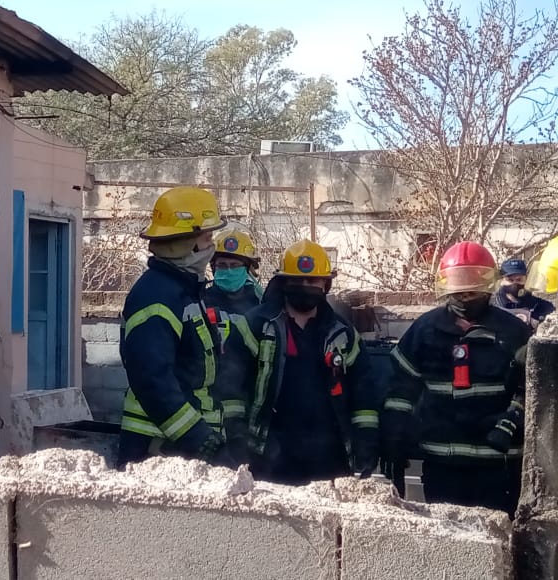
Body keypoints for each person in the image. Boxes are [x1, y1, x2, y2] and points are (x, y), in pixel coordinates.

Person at [382, 241, 531, 517]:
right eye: (460, 290)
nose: (465, 296)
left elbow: (532, 391)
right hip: (442, 466)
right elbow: (400, 390)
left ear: (487, 286)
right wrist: (394, 440)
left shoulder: (514, 333)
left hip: (498, 468)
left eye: (472, 289)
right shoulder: (424, 331)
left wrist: (510, 421)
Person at [218, 239, 379, 484]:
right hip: (268, 458)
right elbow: (231, 390)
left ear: (326, 284)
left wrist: (366, 441)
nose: (305, 286)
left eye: (313, 281)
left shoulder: (343, 334)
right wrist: (237, 441)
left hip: (329, 459)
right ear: (284, 283)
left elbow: (363, 394)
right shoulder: (255, 327)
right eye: (297, 280)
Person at [116, 186, 239, 468]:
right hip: (159, 449)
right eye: (207, 236)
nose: (211, 245)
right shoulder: (157, 294)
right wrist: (196, 437)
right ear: (187, 242)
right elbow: (152, 378)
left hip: (179, 445)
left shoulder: (184, 290)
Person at [205, 229, 263, 317]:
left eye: (234, 265)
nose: (229, 270)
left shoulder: (259, 301)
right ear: (213, 268)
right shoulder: (201, 302)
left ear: (246, 269)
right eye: (222, 265)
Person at [492, 257, 555, 330]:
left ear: (526, 280)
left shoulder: (541, 306)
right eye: (510, 280)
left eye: (519, 280)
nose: (514, 284)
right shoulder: (491, 304)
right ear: (502, 281)